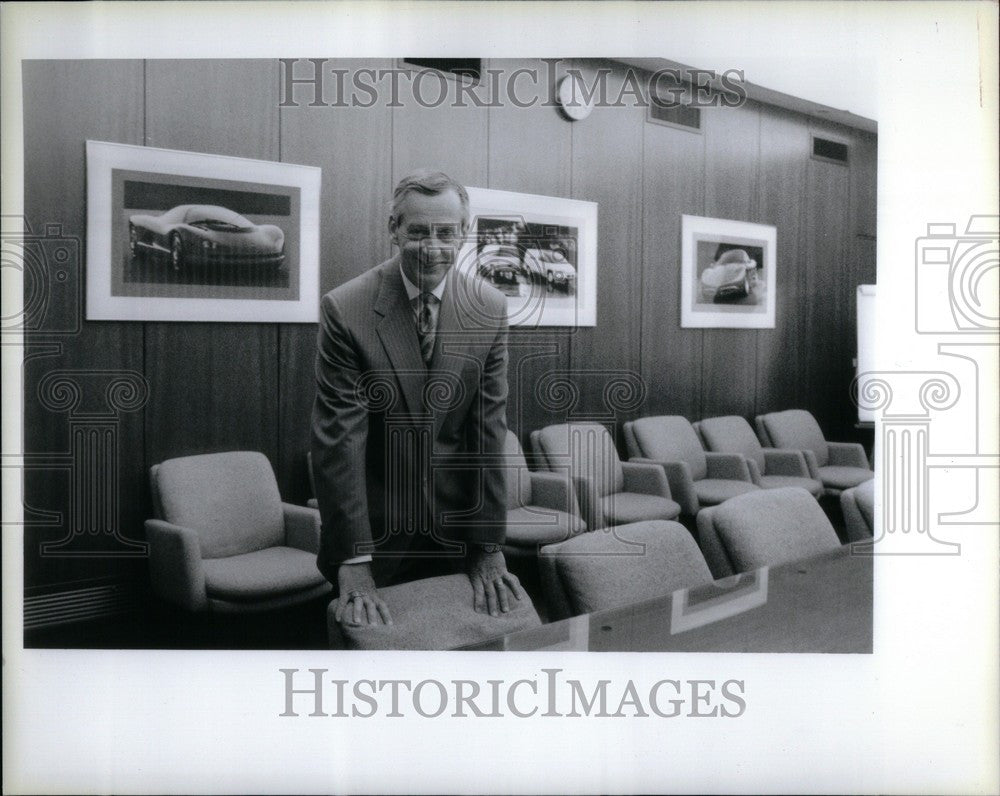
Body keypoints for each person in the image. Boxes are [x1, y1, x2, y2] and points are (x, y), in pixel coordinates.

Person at [311, 169, 523, 629]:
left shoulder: (489, 307)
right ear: (393, 230)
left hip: (456, 533)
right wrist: (354, 558)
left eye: (446, 232)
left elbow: (488, 432)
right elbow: (339, 443)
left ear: (464, 233)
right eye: (418, 232)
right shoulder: (346, 309)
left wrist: (487, 544)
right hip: (376, 537)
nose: (433, 247)